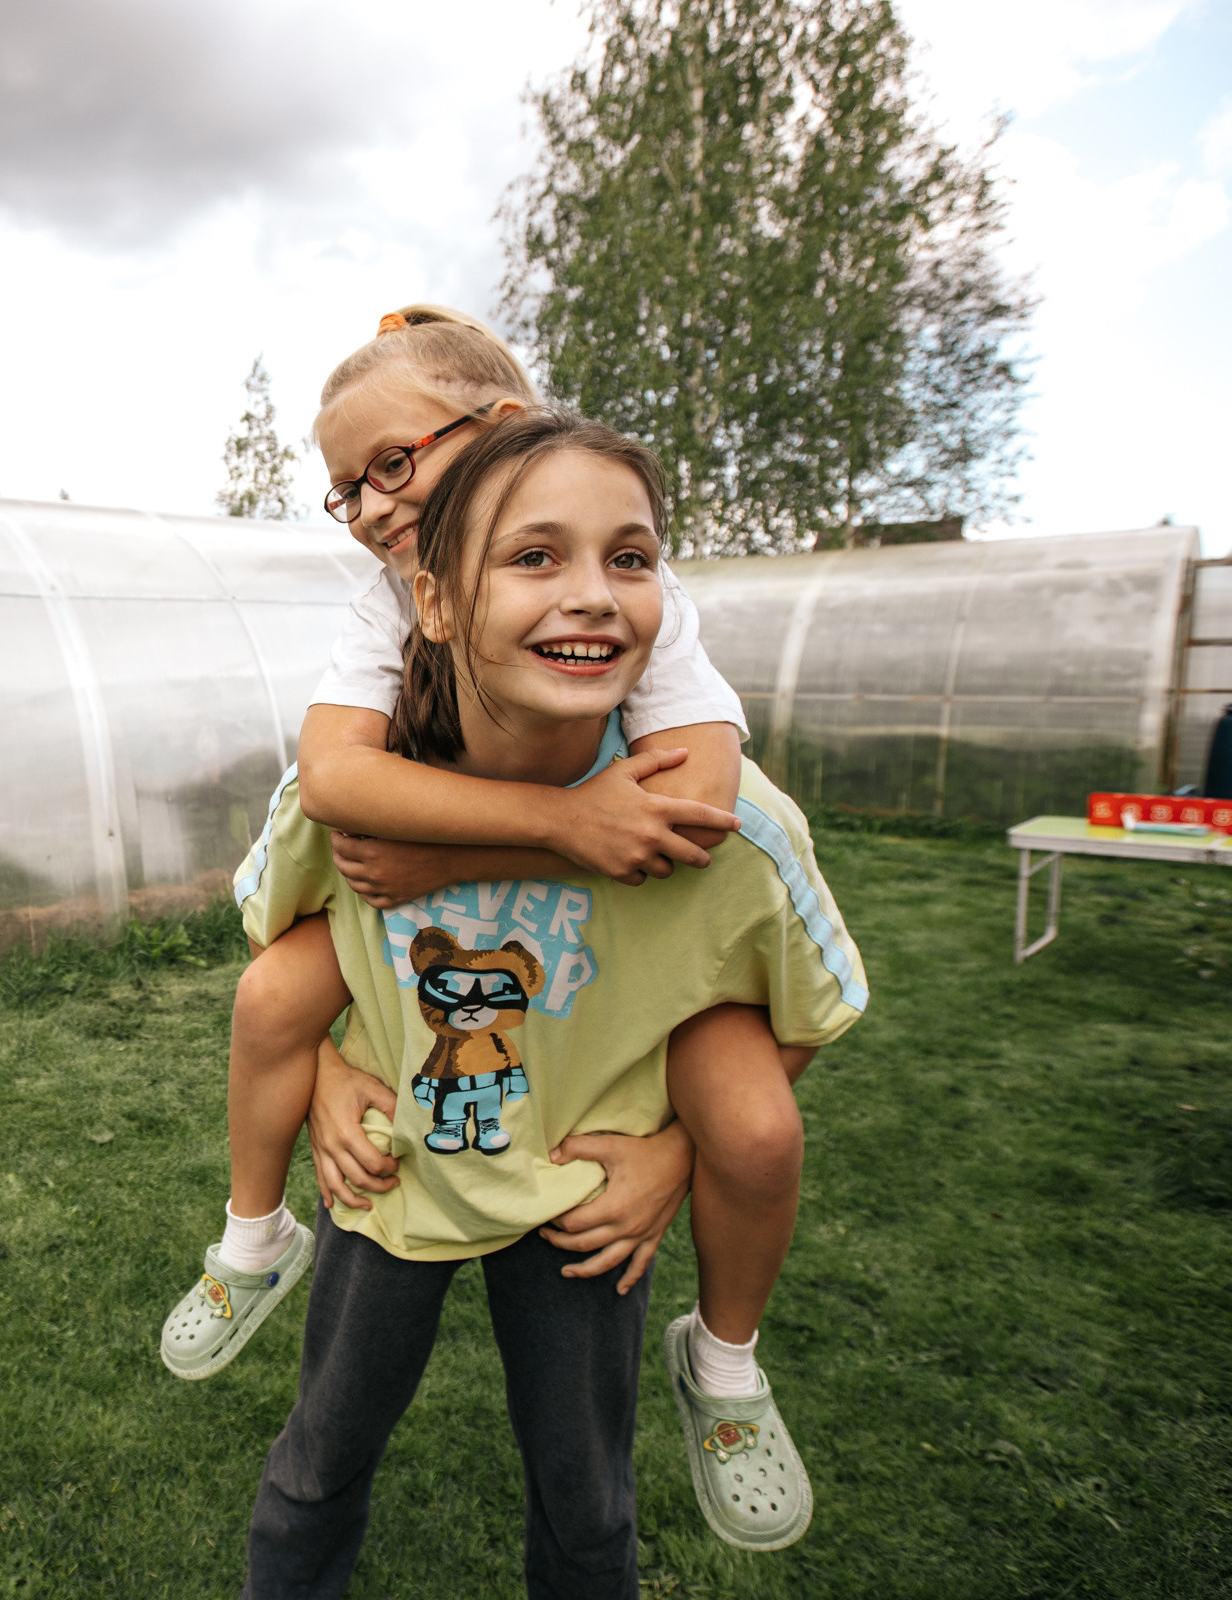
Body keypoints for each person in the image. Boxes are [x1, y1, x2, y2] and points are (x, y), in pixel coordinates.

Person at [163, 308, 819, 1544]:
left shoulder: (630, 597)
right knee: (278, 1006)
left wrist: (675, 1151)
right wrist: (326, 1072)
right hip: (408, 1151)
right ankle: (255, 1236)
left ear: (502, 429)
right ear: (437, 605)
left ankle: (724, 1363)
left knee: (589, 1490)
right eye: (344, 488)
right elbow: (337, 789)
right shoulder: (387, 600)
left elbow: (699, 804)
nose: (364, 506)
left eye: (391, 466)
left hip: (588, 1140)